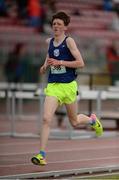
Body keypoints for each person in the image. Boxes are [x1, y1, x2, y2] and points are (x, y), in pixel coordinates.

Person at [31, 11, 103, 166]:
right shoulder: (49, 41)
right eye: (54, 24)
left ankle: (92, 120)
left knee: (75, 122)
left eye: (59, 24)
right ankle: (41, 155)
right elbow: (50, 55)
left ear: (65, 27)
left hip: (69, 86)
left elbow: (80, 63)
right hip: (54, 86)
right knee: (46, 119)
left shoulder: (69, 42)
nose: (55, 26)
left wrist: (60, 62)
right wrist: (44, 66)